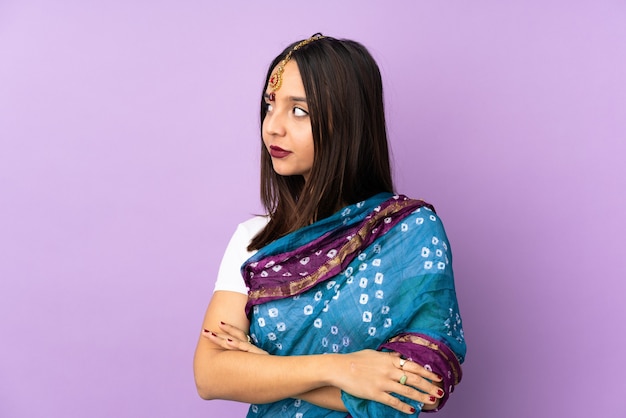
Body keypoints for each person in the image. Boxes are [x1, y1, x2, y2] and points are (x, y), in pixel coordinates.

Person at [193, 33, 466, 417]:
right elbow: (210, 375)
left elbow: (421, 388)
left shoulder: (409, 233)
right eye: (270, 106)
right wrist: (340, 368)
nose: (272, 127)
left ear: (347, 121)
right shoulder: (254, 241)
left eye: (298, 111)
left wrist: (265, 366)